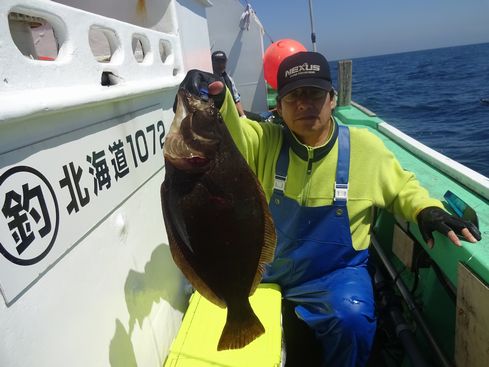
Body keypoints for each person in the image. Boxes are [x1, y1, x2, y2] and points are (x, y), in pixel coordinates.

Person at [176, 51, 481, 367]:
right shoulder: (264, 141)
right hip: (268, 270)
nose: (304, 103)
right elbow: (232, 135)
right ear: (278, 107)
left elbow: (403, 188)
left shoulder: (366, 148)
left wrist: (426, 210)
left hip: (335, 275)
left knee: (353, 321)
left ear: (332, 99)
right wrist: (219, 97)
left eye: (314, 93)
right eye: (293, 96)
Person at [211, 50, 246, 118]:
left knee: (257, 118)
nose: (221, 64)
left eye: (223, 61)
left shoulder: (229, 79)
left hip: (230, 113)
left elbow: (236, 99)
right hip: (216, 115)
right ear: (212, 62)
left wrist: (243, 115)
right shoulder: (208, 78)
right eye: (217, 62)